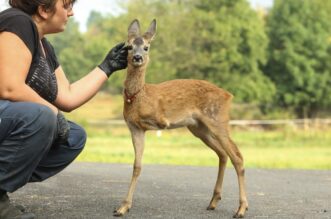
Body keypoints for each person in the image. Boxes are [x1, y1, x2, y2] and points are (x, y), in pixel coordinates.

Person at [0, 0, 128, 218]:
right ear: (43, 9)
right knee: (41, 117)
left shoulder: (44, 45)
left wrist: (107, 67)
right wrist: (52, 112)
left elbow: (67, 97)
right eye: (67, 5)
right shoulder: (16, 21)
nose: (71, 13)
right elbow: (9, 87)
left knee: (73, 137)